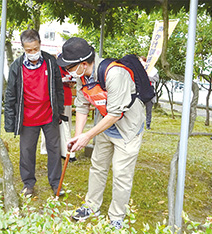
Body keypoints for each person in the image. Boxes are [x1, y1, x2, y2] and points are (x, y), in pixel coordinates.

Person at [56, 37, 145, 229]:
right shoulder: (82, 76)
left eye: (69, 68)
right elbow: (82, 105)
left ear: (84, 63)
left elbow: (115, 114)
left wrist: (88, 136)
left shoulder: (114, 73)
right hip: (105, 126)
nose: (67, 72)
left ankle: (116, 216)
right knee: (97, 166)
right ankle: (91, 206)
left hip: (127, 129)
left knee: (121, 174)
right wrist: (78, 135)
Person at [4, 29, 65, 196]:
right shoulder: (16, 66)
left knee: (54, 149)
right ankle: (28, 184)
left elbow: (58, 88)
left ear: (40, 44)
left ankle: (55, 183)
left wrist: (59, 111)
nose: (33, 53)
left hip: (49, 114)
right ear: (23, 47)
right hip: (28, 118)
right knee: (26, 152)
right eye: (28, 50)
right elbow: (10, 94)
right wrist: (10, 122)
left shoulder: (50, 62)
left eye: (35, 49)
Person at [139, 56, 159, 130]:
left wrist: (147, 77)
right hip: (141, 92)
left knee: (148, 110)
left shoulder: (152, 70)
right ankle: (139, 124)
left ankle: (148, 125)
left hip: (149, 93)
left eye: (142, 61)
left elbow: (156, 79)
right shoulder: (139, 70)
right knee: (139, 110)